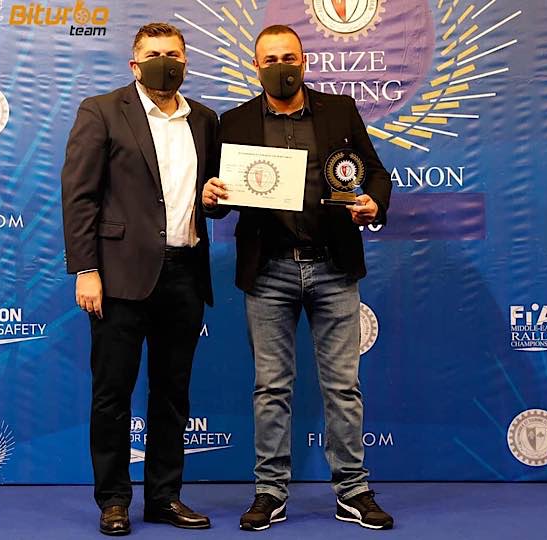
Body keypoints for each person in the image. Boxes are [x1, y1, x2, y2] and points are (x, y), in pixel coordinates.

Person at [202, 24, 395, 531]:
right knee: (271, 388)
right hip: (269, 271)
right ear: (255, 66)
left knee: (343, 387)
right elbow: (218, 200)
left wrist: (374, 204)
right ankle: (270, 492)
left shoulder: (340, 111)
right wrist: (211, 198)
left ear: (304, 61)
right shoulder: (234, 122)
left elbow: (375, 173)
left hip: (334, 266)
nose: (281, 67)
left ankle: (352, 490)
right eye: (270, 60)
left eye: (289, 57)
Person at [61, 22, 219, 536]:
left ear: (186, 62)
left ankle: (164, 497)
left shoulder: (205, 120)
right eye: (153, 54)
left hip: (186, 273)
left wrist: (216, 199)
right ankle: (113, 500)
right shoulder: (102, 110)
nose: (164, 62)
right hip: (117, 277)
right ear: (134, 64)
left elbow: (214, 198)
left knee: (173, 394)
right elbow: (79, 196)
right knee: (113, 393)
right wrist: (86, 269)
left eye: (173, 53)